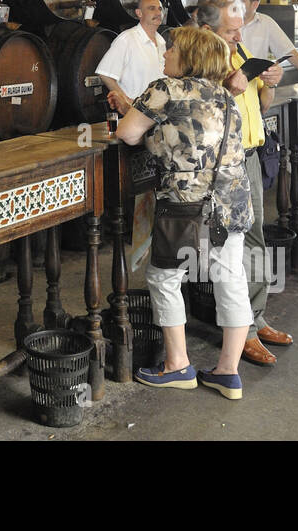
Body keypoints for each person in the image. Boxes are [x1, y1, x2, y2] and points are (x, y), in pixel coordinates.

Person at [116, 26, 252, 399]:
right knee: (230, 279)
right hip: (232, 202)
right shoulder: (225, 96)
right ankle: (228, 373)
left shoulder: (166, 89)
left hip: (185, 205)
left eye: (171, 48)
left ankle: (177, 365)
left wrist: (147, 130)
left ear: (187, 55)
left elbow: (127, 133)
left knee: (163, 278)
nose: (165, 54)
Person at [196, 0, 293, 366]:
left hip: (250, 155)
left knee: (256, 237)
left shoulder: (238, 54)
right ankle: (242, 333)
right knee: (230, 250)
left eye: (239, 30)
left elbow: (263, 106)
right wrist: (228, 88)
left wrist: (271, 81)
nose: (238, 37)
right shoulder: (201, 62)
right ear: (207, 31)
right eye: (230, 31)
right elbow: (200, 111)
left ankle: (256, 317)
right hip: (224, 165)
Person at [98, 0, 166, 117]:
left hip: (157, 114)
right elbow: (105, 73)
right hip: (134, 114)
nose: (158, 12)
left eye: (160, 9)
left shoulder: (161, 41)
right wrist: (126, 101)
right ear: (139, 13)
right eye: (152, 8)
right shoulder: (127, 38)